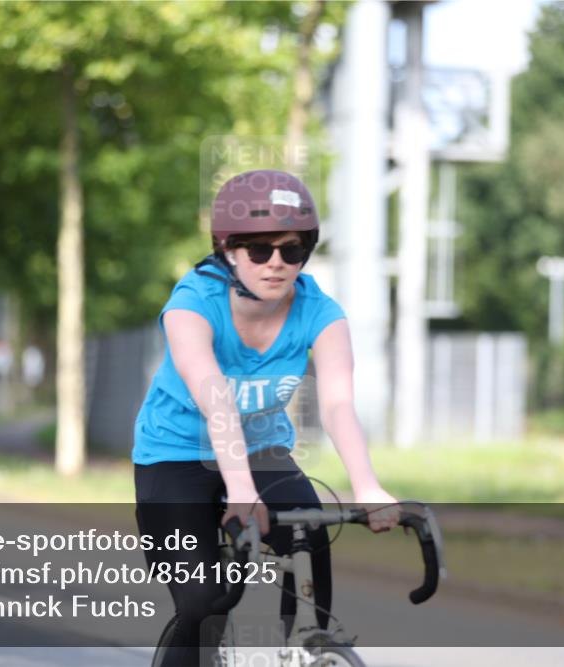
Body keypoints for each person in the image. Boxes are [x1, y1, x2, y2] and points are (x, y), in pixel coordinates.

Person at [133, 170, 402, 666]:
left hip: (261, 451)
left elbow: (339, 403)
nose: (276, 263)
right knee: (208, 600)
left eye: (292, 250)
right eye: (259, 249)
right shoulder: (192, 305)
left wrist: (366, 486)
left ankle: (303, 648)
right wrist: (238, 489)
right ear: (228, 249)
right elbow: (215, 398)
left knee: (309, 534)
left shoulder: (321, 312)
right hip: (174, 454)